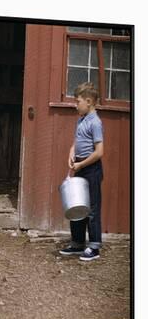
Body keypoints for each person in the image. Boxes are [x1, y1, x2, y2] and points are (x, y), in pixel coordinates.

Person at [59, 82, 104, 261]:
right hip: (80, 166)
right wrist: (72, 153)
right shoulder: (81, 119)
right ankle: (77, 244)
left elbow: (99, 152)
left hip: (91, 169)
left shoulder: (96, 122)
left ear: (89, 101)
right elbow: (76, 142)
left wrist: (82, 164)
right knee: (77, 205)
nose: (75, 105)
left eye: (78, 102)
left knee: (92, 208)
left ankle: (94, 247)